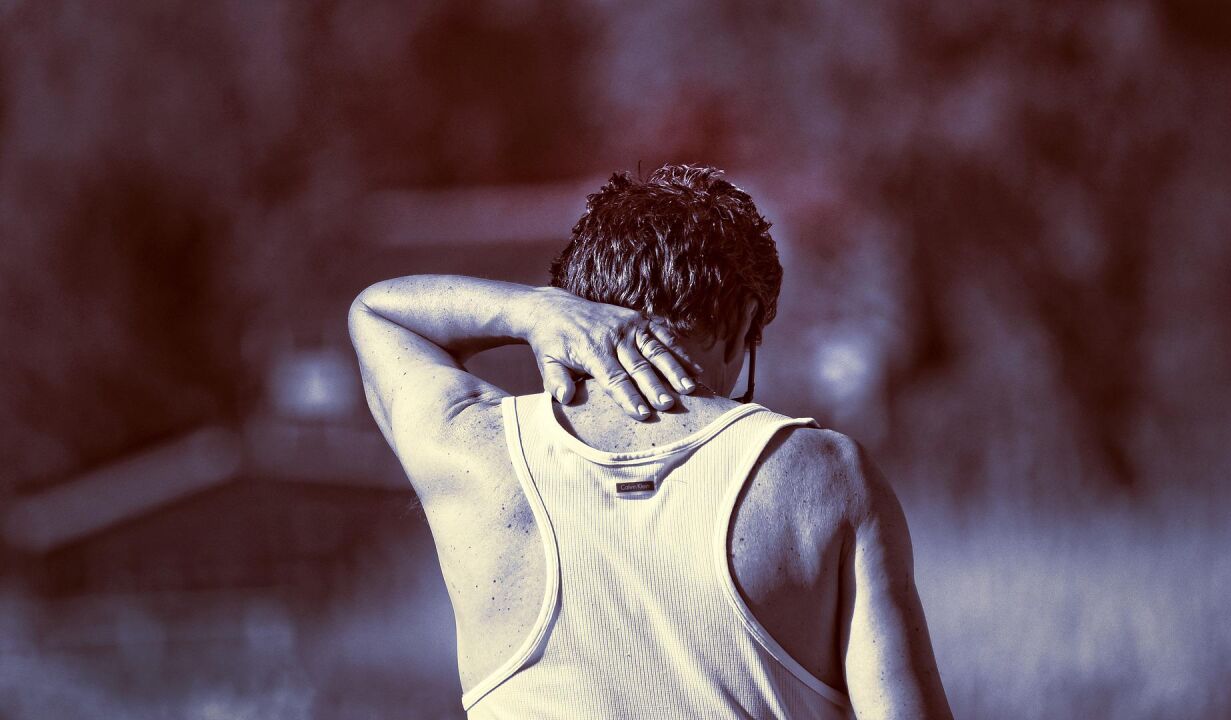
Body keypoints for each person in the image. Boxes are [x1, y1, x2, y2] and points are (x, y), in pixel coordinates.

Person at [348, 165, 953, 719]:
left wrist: (529, 311)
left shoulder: (477, 448)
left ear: (579, 301)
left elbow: (377, 314)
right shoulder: (826, 475)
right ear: (745, 320)